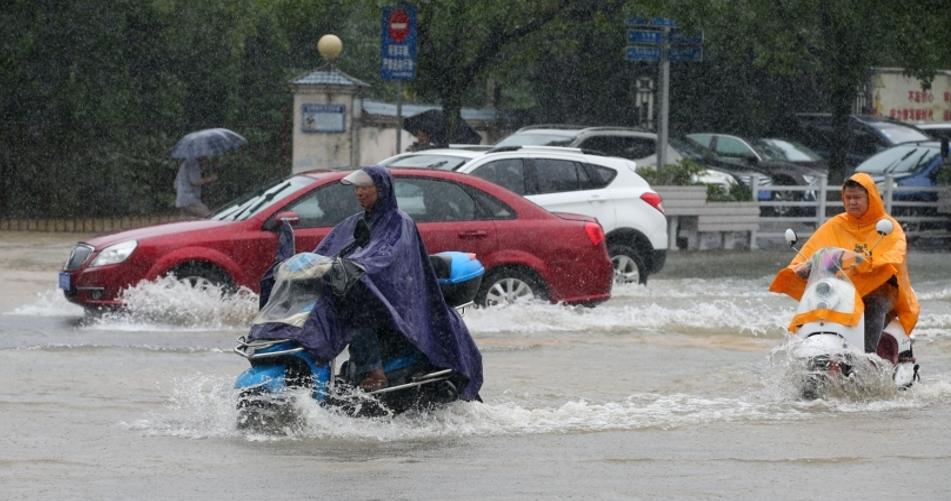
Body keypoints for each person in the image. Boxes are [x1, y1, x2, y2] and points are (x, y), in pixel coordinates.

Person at [305, 166, 483, 396]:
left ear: (381, 189)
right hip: (371, 285)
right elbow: (330, 249)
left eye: (365, 188)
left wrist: (360, 267)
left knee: (357, 306)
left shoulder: (399, 222)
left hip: (396, 293)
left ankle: (373, 371)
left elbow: (386, 256)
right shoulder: (356, 222)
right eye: (357, 188)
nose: (359, 193)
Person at [769, 172, 920, 354]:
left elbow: (894, 254)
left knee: (875, 303)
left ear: (870, 198)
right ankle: (798, 352)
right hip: (844, 289)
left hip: (882, 288)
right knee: (818, 304)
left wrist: (869, 264)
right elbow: (814, 250)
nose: (852, 202)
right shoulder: (835, 224)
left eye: (857, 197)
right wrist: (801, 267)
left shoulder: (888, 227)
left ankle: (868, 357)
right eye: (848, 198)